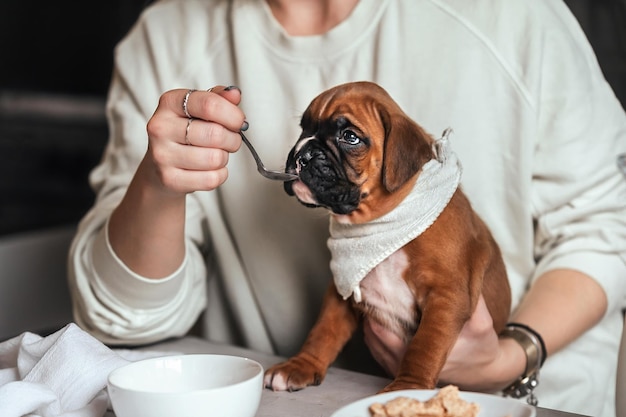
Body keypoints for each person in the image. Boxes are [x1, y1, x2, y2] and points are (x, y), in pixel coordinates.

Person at [68, 0, 626, 416]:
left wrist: (509, 356)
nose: (311, 153)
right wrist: (159, 184)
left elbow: (607, 224)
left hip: (527, 398)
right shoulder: (164, 35)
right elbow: (120, 316)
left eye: (346, 140)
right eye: (308, 134)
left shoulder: (515, 19)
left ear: (399, 159)